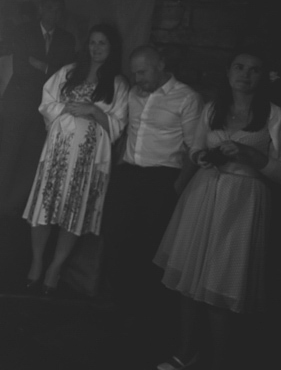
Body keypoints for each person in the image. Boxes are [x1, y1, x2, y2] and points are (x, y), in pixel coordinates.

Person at [153, 49, 281, 370]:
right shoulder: (213, 110)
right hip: (203, 196)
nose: (245, 74)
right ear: (229, 71)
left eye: (254, 69)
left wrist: (251, 155)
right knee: (188, 283)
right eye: (239, 67)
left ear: (264, 76)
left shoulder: (278, 117)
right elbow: (197, 148)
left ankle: (219, 362)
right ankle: (186, 352)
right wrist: (200, 158)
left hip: (241, 205)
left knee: (219, 287)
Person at [102, 45, 202, 356]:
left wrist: (176, 188)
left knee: (150, 250)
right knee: (119, 244)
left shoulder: (186, 97)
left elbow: (194, 150)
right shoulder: (133, 93)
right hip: (129, 176)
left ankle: (145, 326)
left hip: (161, 180)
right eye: (134, 72)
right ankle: (117, 316)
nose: (137, 78)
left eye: (142, 72)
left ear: (160, 65)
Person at [23, 23, 129, 294]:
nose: (96, 48)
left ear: (112, 47)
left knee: (73, 210)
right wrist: (67, 108)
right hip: (58, 151)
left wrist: (92, 110)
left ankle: (55, 268)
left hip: (88, 157)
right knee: (45, 205)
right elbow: (46, 103)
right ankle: (36, 262)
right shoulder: (69, 72)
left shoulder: (117, 84)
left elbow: (118, 124)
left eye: (102, 43)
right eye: (92, 42)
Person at [0, 0, 76, 217]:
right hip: (18, 104)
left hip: (44, 109)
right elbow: (22, 68)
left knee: (31, 160)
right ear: (41, 10)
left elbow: (66, 75)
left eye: (57, 10)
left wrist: (42, 67)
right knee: (8, 156)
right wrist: (50, 70)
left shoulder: (66, 39)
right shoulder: (25, 31)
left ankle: (14, 212)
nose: (53, 14)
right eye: (49, 8)